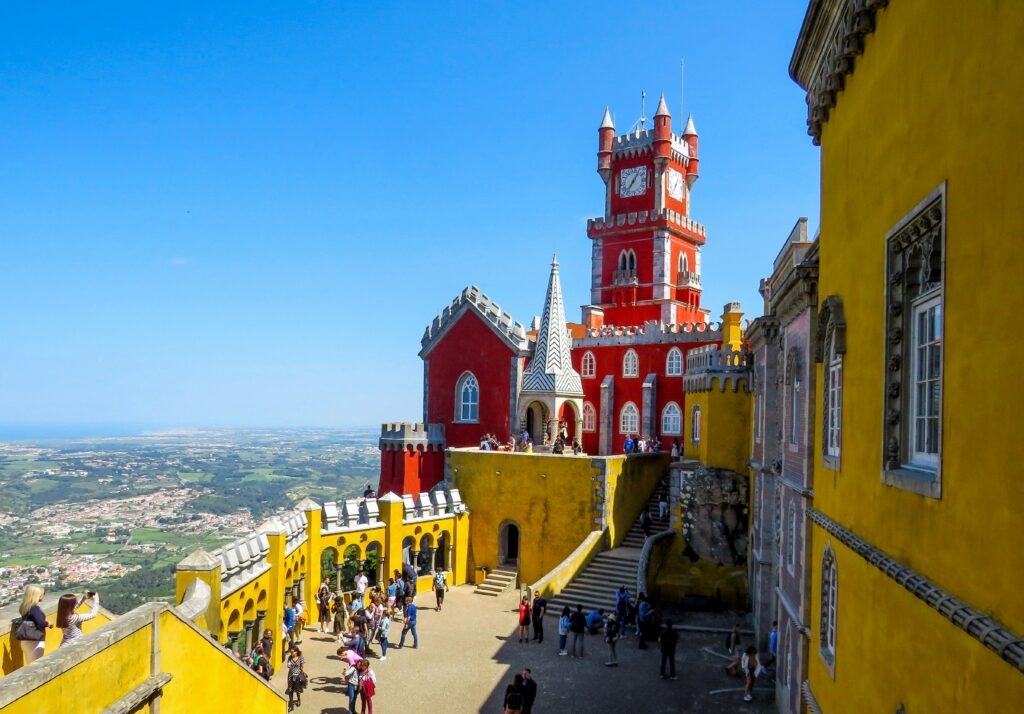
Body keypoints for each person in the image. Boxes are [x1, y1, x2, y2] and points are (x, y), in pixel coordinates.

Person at [16, 584, 49, 663]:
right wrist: (48, 623)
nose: (44, 595)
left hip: (26, 640)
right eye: (42, 593)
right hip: (35, 641)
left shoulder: (25, 607)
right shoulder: (34, 608)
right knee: (36, 665)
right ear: (37, 595)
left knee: (30, 664)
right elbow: (41, 623)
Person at [285, 646, 306, 712]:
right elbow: (288, 664)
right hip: (290, 676)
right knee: (290, 690)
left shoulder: (300, 658)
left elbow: (302, 667)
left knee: (297, 690)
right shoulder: (289, 658)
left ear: (296, 652)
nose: (291, 653)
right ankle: (291, 705)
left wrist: (300, 673)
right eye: (290, 652)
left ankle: (298, 699)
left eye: (292, 652)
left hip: (298, 677)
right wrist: (288, 665)